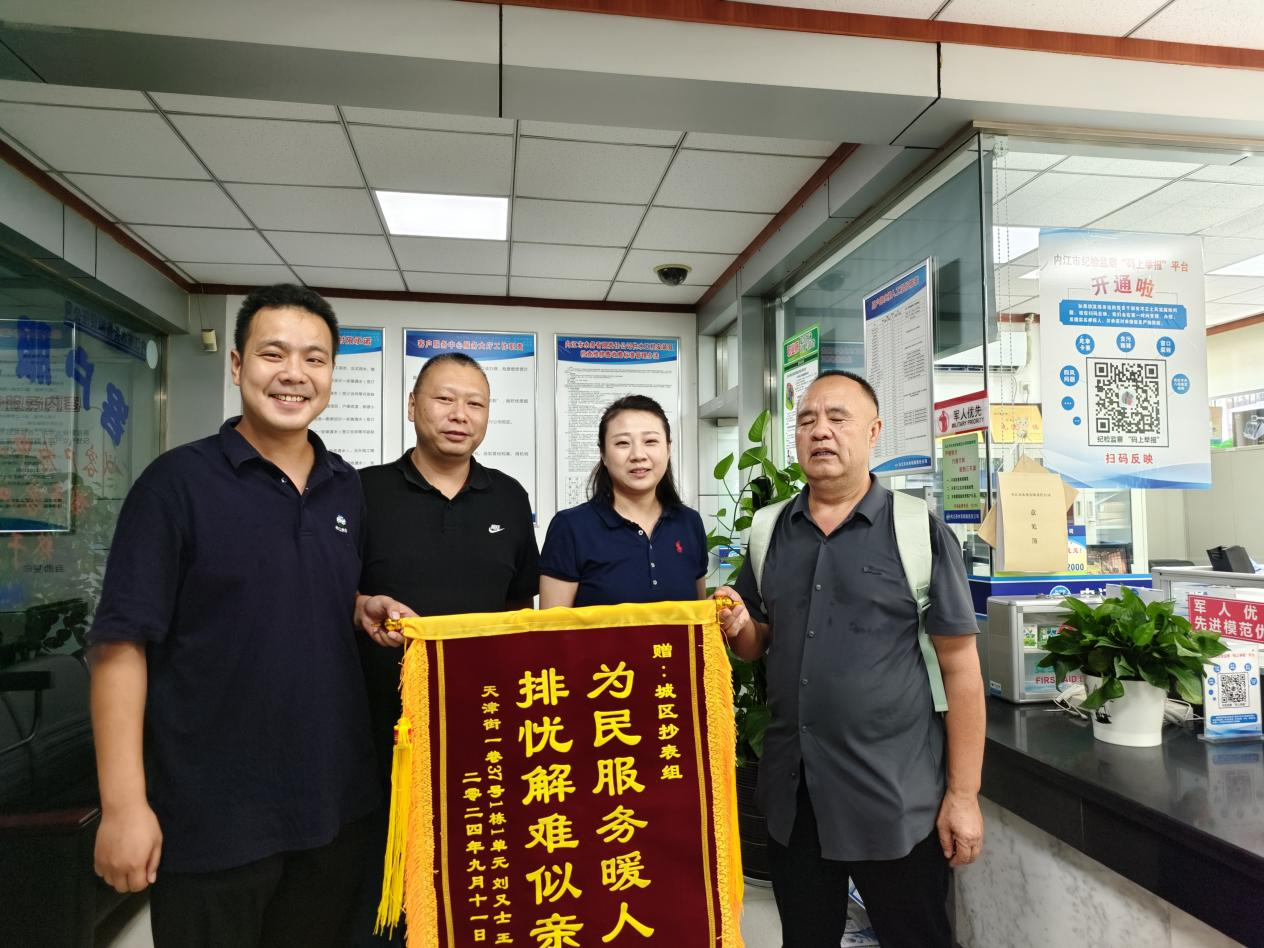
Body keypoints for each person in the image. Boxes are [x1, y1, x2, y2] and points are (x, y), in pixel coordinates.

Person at [88, 285, 386, 948]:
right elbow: (121, 643)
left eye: (314, 358)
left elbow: (292, 590)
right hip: (212, 816)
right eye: (273, 354)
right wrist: (124, 805)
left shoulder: (346, 486)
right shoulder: (176, 484)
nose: (294, 373)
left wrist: (360, 605)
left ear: (332, 373)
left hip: (333, 808)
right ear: (236, 365)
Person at [714, 370, 985, 948]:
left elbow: (961, 670)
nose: (821, 431)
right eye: (807, 420)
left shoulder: (917, 532)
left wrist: (963, 798)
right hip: (796, 796)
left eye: (838, 418)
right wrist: (740, 626)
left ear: (873, 431)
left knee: (916, 937)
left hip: (894, 795)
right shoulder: (770, 531)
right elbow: (759, 641)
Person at [353, 351, 539, 944]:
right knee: (378, 883)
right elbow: (331, 592)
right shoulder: (362, 491)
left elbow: (520, 607)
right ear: (413, 406)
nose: (460, 415)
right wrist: (362, 604)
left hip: (480, 728)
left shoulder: (508, 498)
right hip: (380, 728)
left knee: (472, 875)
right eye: (444, 398)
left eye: (475, 403)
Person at [539, 394, 706, 608]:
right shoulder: (570, 528)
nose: (638, 455)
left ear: (668, 448)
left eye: (650, 441)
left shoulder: (689, 523)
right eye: (623, 443)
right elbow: (553, 626)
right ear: (603, 454)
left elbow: (699, 618)